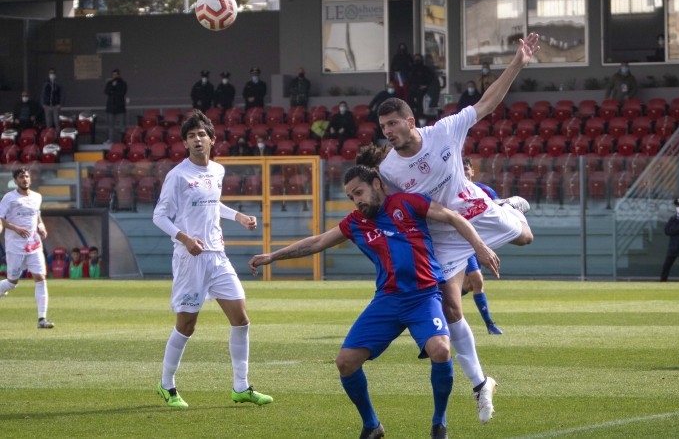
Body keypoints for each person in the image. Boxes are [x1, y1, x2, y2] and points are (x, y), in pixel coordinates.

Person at [357, 32, 540, 425]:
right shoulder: (388, 169)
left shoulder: (445, 130)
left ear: (409, 121)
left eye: (392, 123)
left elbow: (488, 102)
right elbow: (393, 207)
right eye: (382, 126)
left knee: (526, 237)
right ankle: (480, 383)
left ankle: (507, 204)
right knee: (452, 302)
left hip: (474, 208)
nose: (387, 131)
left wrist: (518, 64)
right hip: (441, 233)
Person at [249, 165, 500, 439]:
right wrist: (272, 256)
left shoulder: (405, 203)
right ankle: (372, 425)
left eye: (359, 192)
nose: (357, 200)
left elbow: (452, 217)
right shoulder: (356, 222)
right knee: (345, 362)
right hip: (387, 301)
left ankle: (439, 424)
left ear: (377, 184)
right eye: (351, 196)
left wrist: (479, 246)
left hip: (424, 295)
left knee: (440, 350)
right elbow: (317, 242)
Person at [152, 109, 273, 408]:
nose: (197, 139)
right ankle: (167, 385)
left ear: (212, 139)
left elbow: (211, 203)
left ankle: (241, 387)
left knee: (241, 319)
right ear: (185, 143)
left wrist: (238, 217)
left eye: (201, 134)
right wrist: (184, 239)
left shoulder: (217, 171)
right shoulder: (177, 175)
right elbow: (159, 216)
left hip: (217, 256)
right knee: (187, 325)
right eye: (191, 136)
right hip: (189, 258)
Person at [0, 167, 54, 329]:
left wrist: (41, 225)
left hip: (34, 245)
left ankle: (42, 319)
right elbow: (1, 218)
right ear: (15, 180)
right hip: (15, 246)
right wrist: (15, 228)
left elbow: (36, 214)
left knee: (40, 278)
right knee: (12, 282)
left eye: (27, 176)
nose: (25, 179)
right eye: (21, 177)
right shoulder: (9, 198)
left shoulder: (37, 197)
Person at [461, 158, 503, 335]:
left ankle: (435, 301)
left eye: (466, 168)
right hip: (459, 242)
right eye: (460, 168)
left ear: (472, 171)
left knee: (469, 285)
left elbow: (500, 209)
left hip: (478, 244)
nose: (463, 172)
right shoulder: (450, 191)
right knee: (477, 280)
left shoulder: (484, 190)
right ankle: (490, 324)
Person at [406, 53, 437, 119]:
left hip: (422, 88)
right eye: (416, 58)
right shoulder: (412, 69)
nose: (417, 60)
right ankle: (412, 113)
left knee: (419, 99)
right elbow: (409, 79)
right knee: (409, 98)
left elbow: (430, 78)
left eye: (418, 58)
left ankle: (420, 115)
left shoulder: (425, 69)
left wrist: (426, 85)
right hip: (414, 87)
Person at [104, 68, 128, 144]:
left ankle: (123, 140)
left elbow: (122, 92)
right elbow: (106, 91)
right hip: (111, 107)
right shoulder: (109, 83)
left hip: (120, 107)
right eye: (113, 75)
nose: (114, 76)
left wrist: (114, 90)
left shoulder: (123, 83)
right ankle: (110, 140)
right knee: (110, 125)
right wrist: (113, 87)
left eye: (116, 75)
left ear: (119, 75)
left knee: (122, 125)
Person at [40, 67, 62, 132]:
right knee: (48, 122)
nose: (52, 74)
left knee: (56, 122)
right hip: (47, 105)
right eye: (50, 73)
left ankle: (57, 135)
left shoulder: (58, 84)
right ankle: (49, 135)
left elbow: (62, 94)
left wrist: (60, 104)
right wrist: (43, 104)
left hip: (55, 105)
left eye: (53, 73)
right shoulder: (45, 84)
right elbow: (42, 94)